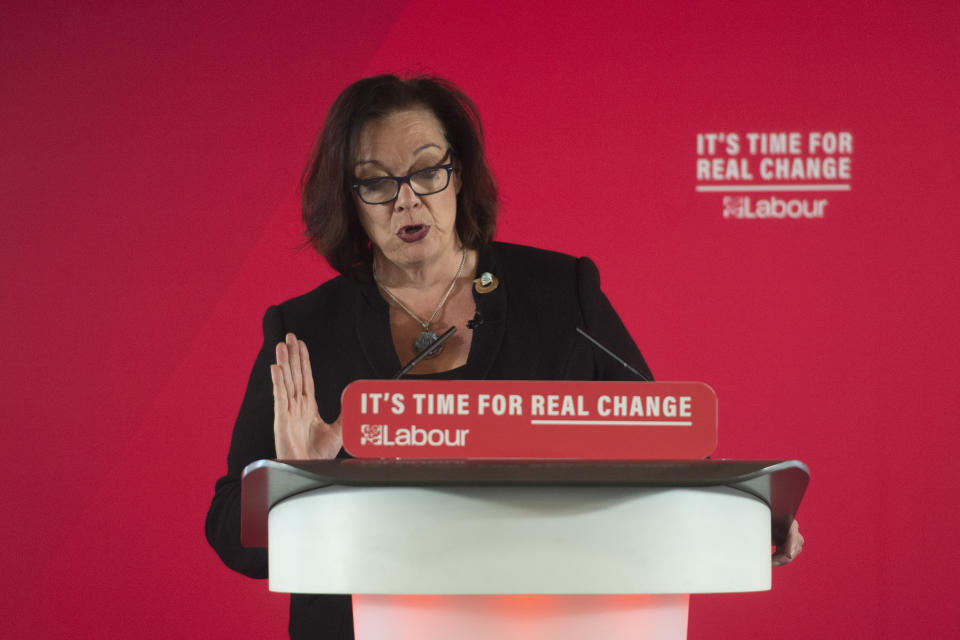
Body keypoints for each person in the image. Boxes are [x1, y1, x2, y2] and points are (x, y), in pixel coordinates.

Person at [205, 74, 801, 639]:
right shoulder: (305, 330)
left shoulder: (560, 292)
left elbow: (665, 449)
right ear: (351, 198)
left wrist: (743, 517)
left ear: (458, 173)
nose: (407, 200)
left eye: (427, 171)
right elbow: (230, 530)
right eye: (377, 182)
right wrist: (297, 482)